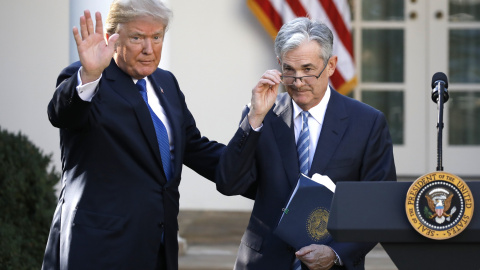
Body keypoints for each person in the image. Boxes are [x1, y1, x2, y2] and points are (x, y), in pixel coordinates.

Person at [42, 1, 224, 269]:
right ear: (112, 38)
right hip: (99, 250)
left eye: (157, 37)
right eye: (137, 37)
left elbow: (194, 148)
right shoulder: (89, 79)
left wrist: (254, 149)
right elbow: (62, 114)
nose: (149, 49)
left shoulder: (166, 83)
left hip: (158, 248)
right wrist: (90, 73)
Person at [216, 17, 396, 270]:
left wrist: (336, 252)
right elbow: (228, 182)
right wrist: (254, 118)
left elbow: (379, 205)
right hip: (265, 262)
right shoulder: (260, 116)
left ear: (331, 65)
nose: (298, 81)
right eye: (289, 70)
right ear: (278, 65)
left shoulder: (367, 123)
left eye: (308, 70)